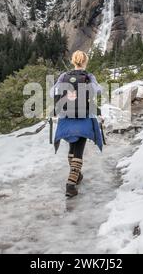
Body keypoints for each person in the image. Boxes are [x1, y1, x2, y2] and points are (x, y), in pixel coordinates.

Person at [50, 50, 104, 198]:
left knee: (72, 147)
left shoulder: (63, 76)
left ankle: (76, 175)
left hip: (66, 116)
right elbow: (98, 91)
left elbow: (52, 92)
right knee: (79, 148)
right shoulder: (88, 76)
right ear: (85, 61)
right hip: (84, 115)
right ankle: (70, 184)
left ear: (73, 61)